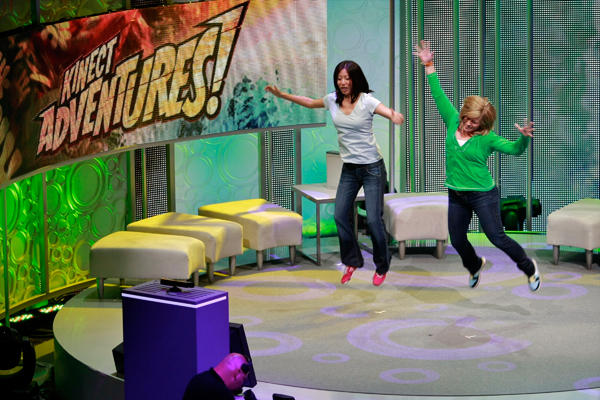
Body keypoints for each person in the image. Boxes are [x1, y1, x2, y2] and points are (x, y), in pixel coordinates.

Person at [414, 40, 540, 291]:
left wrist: (524, 139)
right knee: (458, 240)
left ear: (483, 125)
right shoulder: (452, 120)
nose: (468, 124)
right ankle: (474, 265)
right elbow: (438, 93)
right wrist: (429, 64)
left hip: (482, 194)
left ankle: (529, 268)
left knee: (497, 237)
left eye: (475, 122)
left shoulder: (487, 138)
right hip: (456, 193)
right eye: (467, 119)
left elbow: (515, 150)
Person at [266, 60, 405, 286]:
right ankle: (352, 260)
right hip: (349, 168)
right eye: (339, 78)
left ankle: (382, 265)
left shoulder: (367, 101)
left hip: (372, 168)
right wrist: (282, 95)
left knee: (373, 219)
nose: (343, 82)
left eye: (347, 78)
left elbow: (386, 111)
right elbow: (310, 102)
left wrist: (393, 115)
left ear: (355, 80)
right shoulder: (332, 100)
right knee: (340, 215)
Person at [182, 353, 250, 400]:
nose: (241, 386)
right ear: (237, 374)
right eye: (243, 379)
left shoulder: (197, 379)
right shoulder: (223, 394)